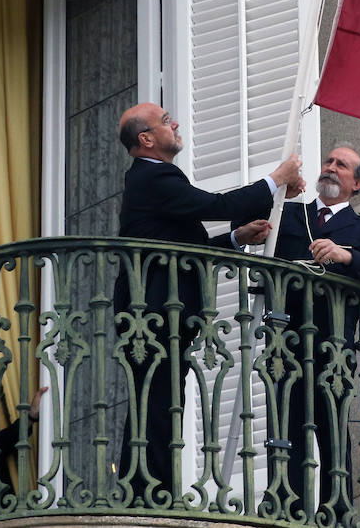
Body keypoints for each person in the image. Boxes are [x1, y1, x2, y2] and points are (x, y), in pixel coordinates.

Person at [114, 102, 304, 504]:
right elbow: (215, 207)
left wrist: (236, 239)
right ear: (146, 139)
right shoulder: (155, 176)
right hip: (153, 312)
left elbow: (185, 245)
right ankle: (147, 493)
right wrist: (275, 180)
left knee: (161, 403)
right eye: (166, 121)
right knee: (158, 403)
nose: (176, 123)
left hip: (157, 312)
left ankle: (147, 490)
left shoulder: (150, 179)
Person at [238, 145, 360, 518]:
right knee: (284, 426)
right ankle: (283, 504)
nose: (330, 167)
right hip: (285, 338)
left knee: (332, 428)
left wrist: (345, 255)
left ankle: (334, 511)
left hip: (332, 346)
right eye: (328, 161)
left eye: (341, 165)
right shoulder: (289, 213)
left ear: (357, 183)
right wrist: (279, 190)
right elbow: (241, 220)